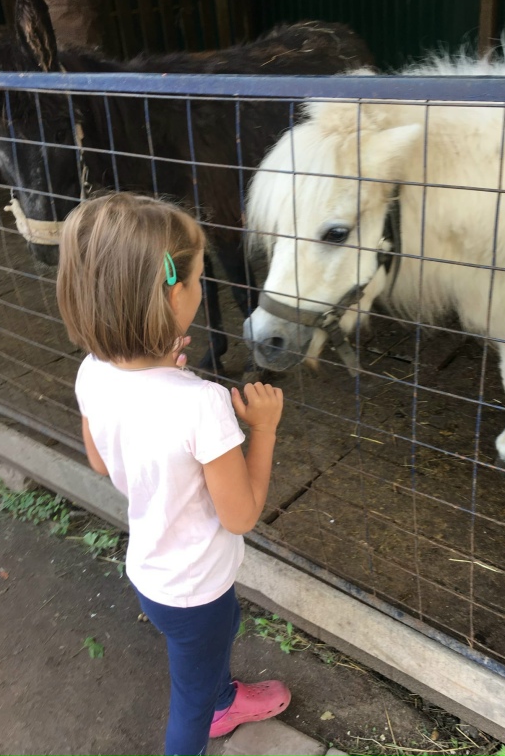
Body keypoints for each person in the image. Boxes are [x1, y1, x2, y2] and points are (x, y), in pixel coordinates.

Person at [56, 192, 289, 756]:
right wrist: (264, 428)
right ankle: (216, 711)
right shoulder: (202, 405)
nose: (203, 288)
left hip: (155, 571)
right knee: (190, 706)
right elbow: (240, 515)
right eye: (200, 278)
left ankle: (218, 692)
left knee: (217, 634)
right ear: (171, 294)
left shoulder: (93, 372)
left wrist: (163, 373)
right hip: (195, 588)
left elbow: (100, 461)